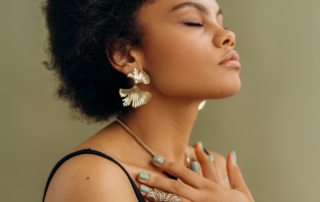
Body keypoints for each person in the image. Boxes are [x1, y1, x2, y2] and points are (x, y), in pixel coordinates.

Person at [42, 0, 254, 201]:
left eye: (220, 21)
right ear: (125, 55)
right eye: (194, 22)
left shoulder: (215, 170)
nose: (228, 35)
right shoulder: (93, 178)